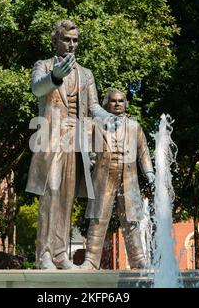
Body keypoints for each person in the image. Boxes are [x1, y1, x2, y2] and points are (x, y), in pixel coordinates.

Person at [26, 20, 116, 269]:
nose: (72, 44)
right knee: (51, 192)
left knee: (66, 198)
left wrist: (109, 117)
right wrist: (55, 76)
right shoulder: (43, 66)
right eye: (67, 39)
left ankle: (59, 254)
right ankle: (43, 254)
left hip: (76, 141)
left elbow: (94, 106)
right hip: (52, 137)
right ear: (55, 40)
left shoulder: (86, 74)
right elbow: (36, 88)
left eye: (75, 40)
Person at [80, 88, 155, 270]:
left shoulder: (134, 126)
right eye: (113, 101)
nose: (117, 104)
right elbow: (83, 145)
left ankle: (138, 260)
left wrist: (149, 173)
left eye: (121, 101)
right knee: (98, 218)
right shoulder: (95, 124)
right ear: (106, 104)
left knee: (132, 220)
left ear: (125, 104)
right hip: (103, 175)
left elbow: (143, 152)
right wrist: (88, 159)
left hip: (128, 177)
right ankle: (91, 260)